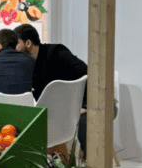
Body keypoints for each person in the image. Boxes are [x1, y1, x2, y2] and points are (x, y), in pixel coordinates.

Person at [14, 23, 88, 154]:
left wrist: (82, 105)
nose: (14, 49)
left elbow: (85, 73)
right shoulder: (27, 64)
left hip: (77, 107)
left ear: (28, 43)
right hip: (53, 112)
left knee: (86, 122)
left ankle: (88, 163)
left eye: (16, 44)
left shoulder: (57, 52)